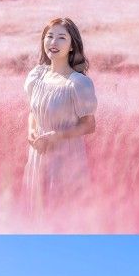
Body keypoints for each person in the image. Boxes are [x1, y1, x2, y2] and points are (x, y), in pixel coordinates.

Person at [23, 17, 97, 215]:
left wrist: (57, 136)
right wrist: (31, 132)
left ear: (72, 46)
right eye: (49, 36)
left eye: (61, 38)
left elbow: (89, 125)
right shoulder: (37, 76)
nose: (53, 42)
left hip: (66, 157)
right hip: (38, 154)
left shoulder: (78, 83)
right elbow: (33, 111)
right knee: (38, 212)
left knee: (61, 212)